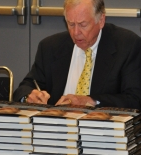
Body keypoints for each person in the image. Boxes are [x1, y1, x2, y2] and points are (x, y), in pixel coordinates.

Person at [13, 0, 141, 109]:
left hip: (100, 130)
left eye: (82, 24)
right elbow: (25, 87)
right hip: (56, 129)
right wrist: (29, 96)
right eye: (71, 24)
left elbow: (135, 98)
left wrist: (90, 101)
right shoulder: (50, 47)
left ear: (101, 20)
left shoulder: (126, 45)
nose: (75, 32)